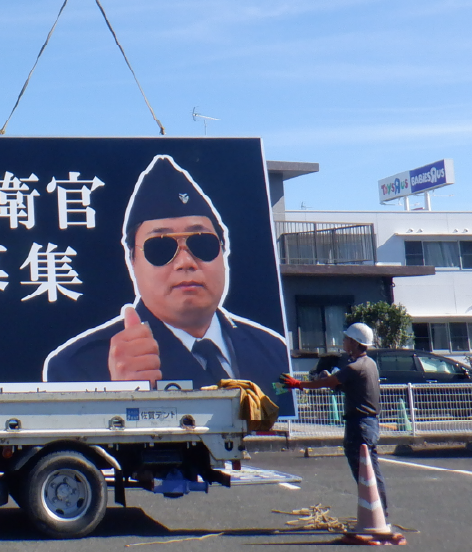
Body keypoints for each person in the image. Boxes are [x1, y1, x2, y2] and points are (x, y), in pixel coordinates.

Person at [43, 154, 289, 391]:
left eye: (202, 243)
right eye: (160, 248)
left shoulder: (271, 350)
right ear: (132, 260)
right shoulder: (79, 365)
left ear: (224, 252)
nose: (185, 262)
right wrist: (118, 396)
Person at [281, 323, 386, 517]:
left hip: (359, 425)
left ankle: (374, 515)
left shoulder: (355, 367)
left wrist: (298, 384)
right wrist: (336, 383)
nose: (344, 341)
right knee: (371, 470)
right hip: (368, 423)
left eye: (346, 339)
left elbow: (327, 382)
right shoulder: (369, 364)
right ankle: (379, 512)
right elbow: (347, 387)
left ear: (355, 343)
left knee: (364, 473)